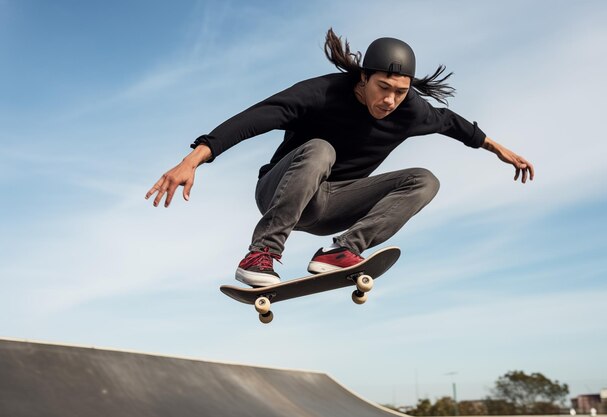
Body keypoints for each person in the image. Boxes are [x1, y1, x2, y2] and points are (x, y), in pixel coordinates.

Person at [146, 28, 534, 287]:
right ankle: (261, 253)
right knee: (320, 149)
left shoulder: (410, 110)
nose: (390, 101)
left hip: (334, 205)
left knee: (425, 179)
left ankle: (342, 250)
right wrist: (194, 158)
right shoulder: (321, 94)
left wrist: (499, 149)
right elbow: (255, 118)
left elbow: (451, 123)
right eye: (383, 88)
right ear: (362, 78)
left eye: (400, 92)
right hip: (279, 192)